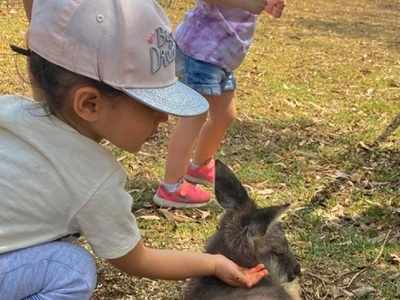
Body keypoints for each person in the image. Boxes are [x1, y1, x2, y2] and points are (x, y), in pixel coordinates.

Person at [0, 1, 268, 299]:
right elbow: (136, 259)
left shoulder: (9, 109)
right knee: (71, 267)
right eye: (151, 105)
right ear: (90, 104)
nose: (164, 117)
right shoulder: (93, 177)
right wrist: (214, 263)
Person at [153, 0, 285, 208]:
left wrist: (266, 5)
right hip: (200, 53)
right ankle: (171, 187)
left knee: (225, 115)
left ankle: (199, 165)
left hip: (221, 58)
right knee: (194, 116)